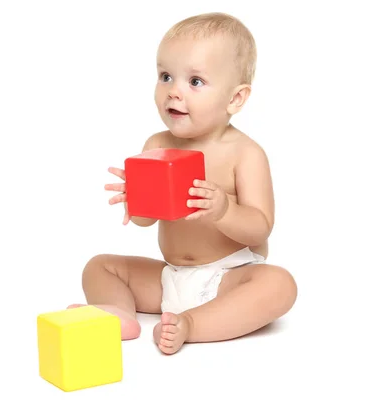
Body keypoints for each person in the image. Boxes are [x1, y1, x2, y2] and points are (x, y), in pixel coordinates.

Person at [68, 12, 297, 355]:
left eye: (195, 81)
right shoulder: (157, 145)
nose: (174, 92)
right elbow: (147, 221)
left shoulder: (245, 153)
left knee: (279, 284)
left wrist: (223, 209)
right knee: (99, 266)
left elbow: (260, 229)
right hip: (170, 277)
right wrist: (137, 199)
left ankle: (193, 324)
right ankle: (118, 314)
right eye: (165, 76)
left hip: (228, 277)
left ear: (235, 98)